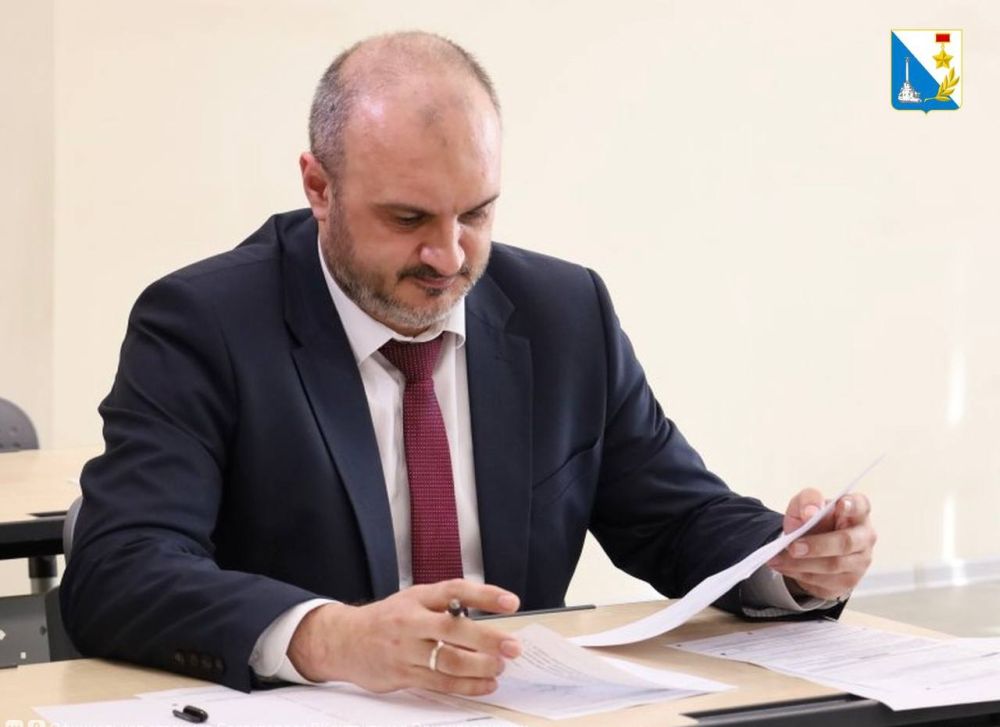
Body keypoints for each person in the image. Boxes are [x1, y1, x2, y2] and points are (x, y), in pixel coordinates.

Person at [60, 31, 876, 696]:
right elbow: (120, 570)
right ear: (318, 186)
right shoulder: (204, 324)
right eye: (407, 218)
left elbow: (673, 518)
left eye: (476, 214)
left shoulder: (564, 312)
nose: (449, 256)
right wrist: (333, 636)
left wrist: (788, 562)